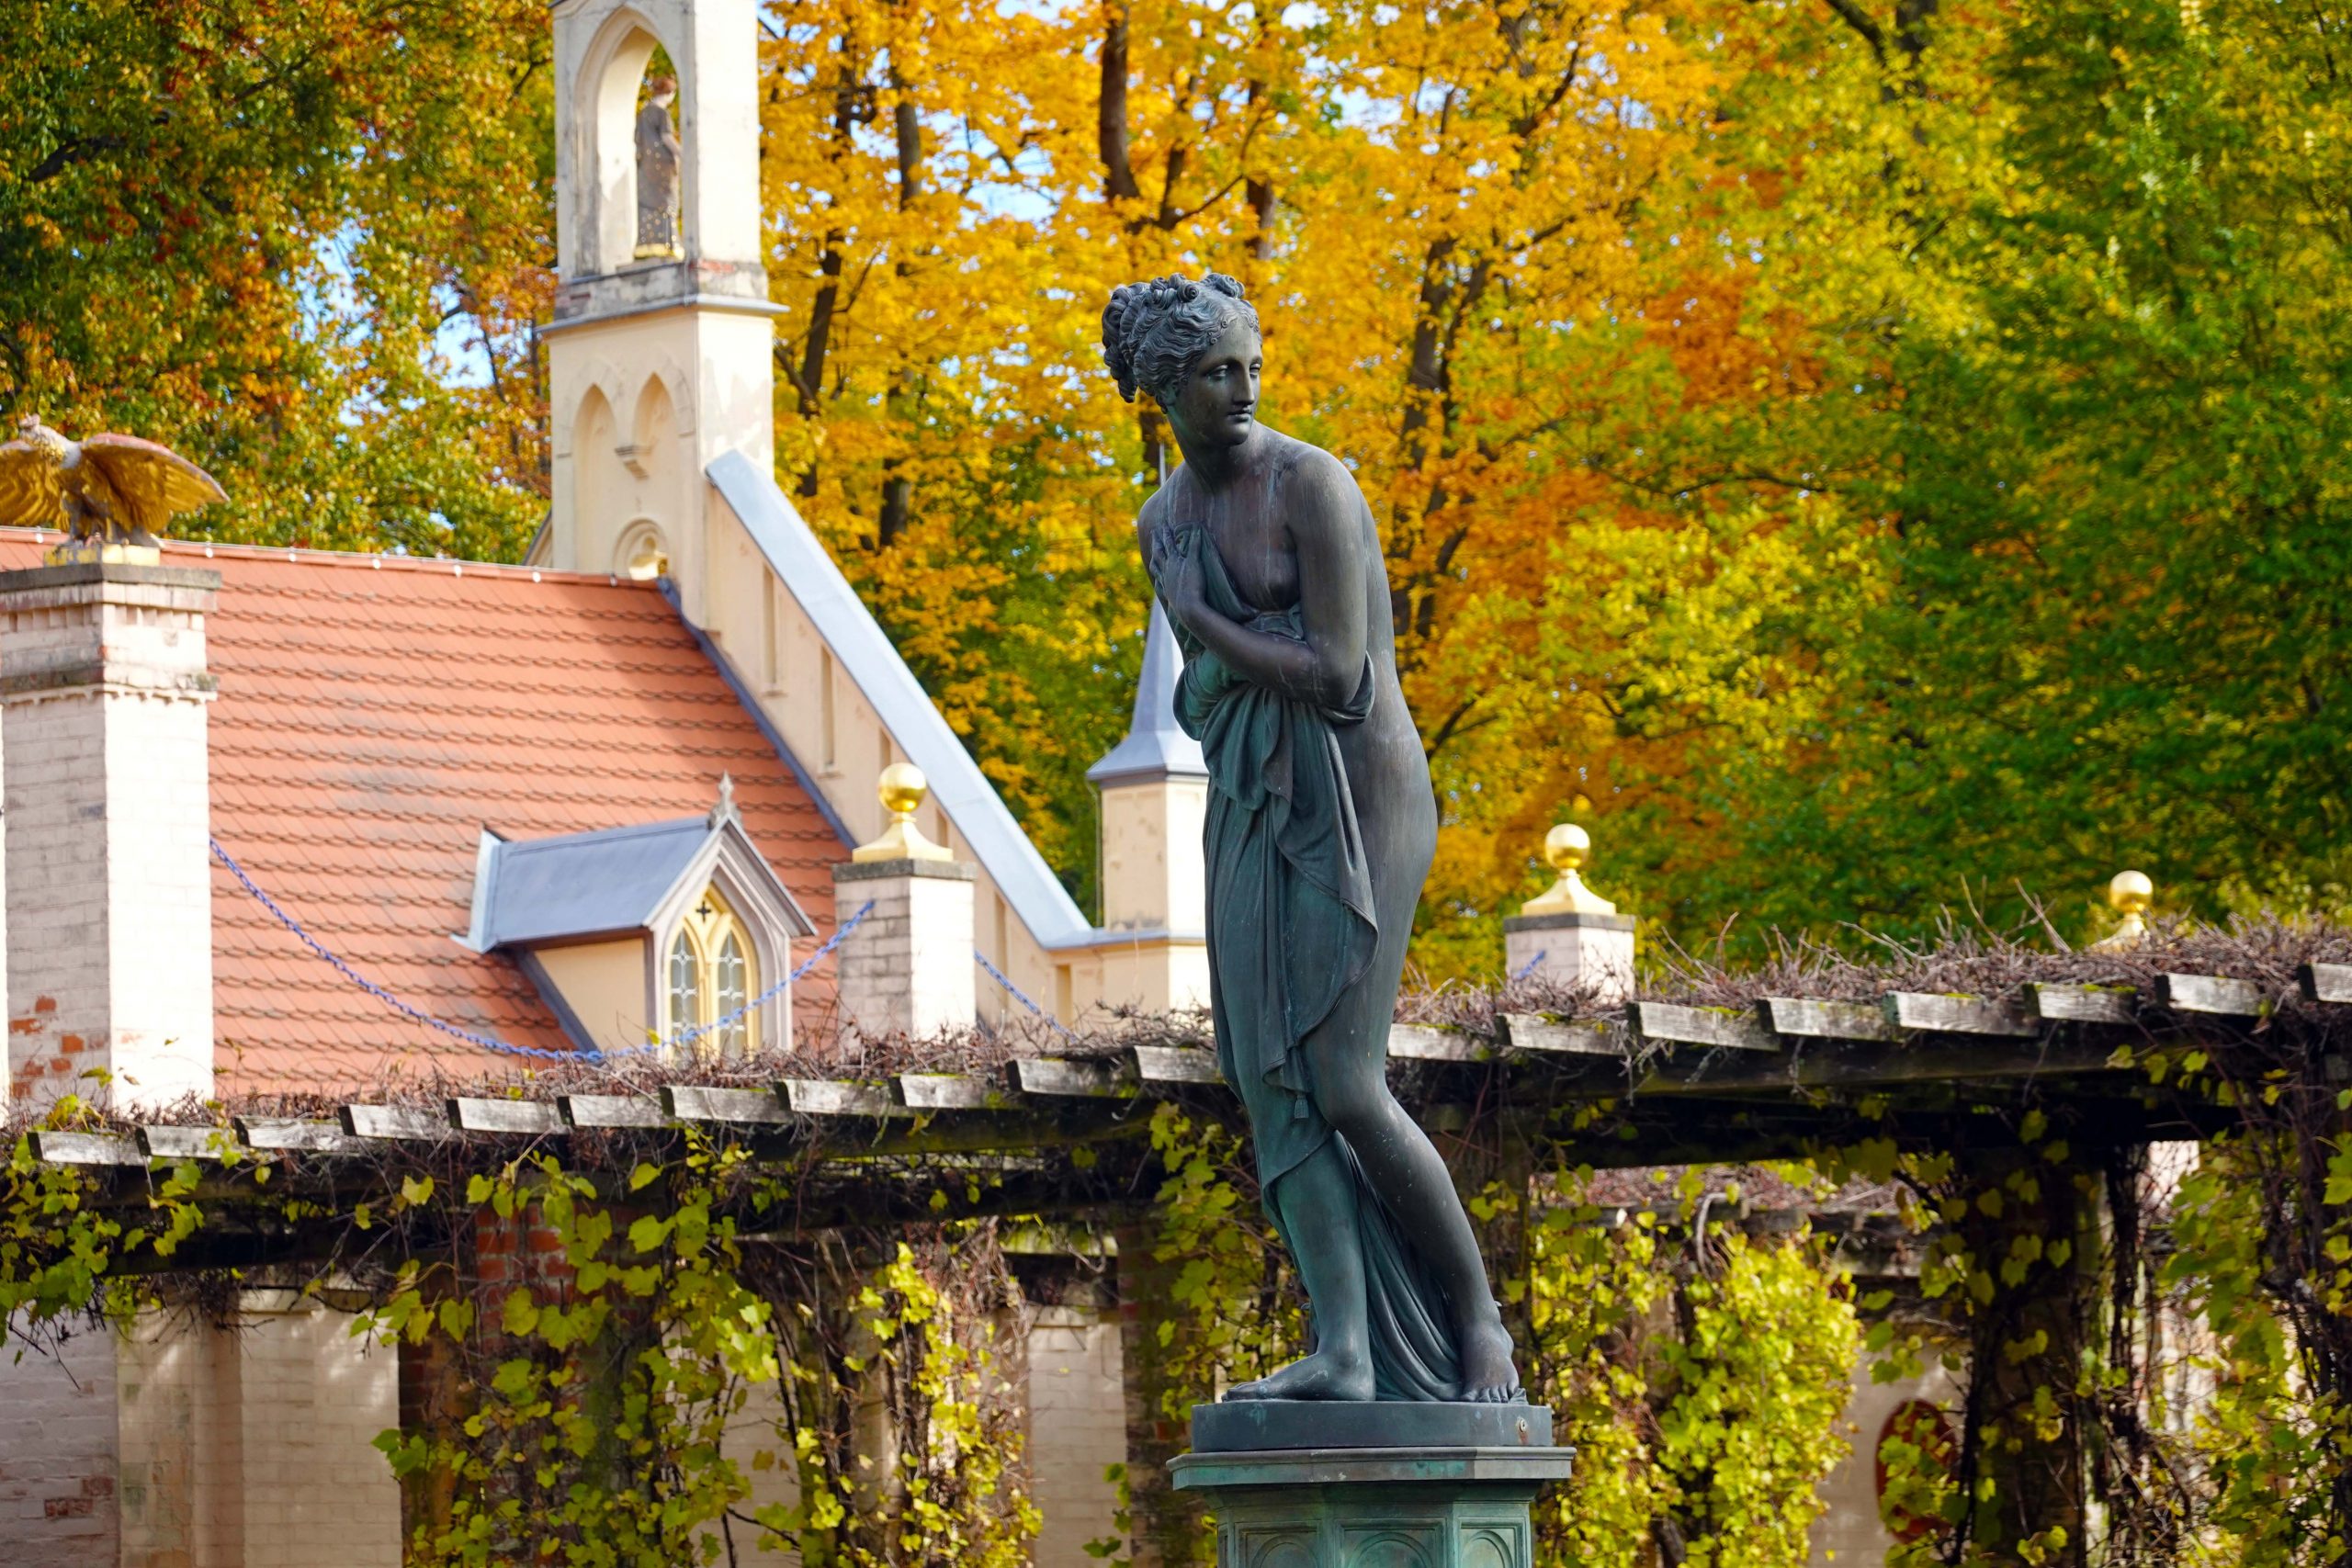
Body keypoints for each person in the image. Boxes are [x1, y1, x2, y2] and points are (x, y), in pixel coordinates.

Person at [1101, 274, 1522, 1404]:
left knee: (1341, 1078)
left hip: (1363, 789)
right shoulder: (1161, 523)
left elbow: (1338, 675)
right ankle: (1345, 1352)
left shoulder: (1313, 484)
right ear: (1162, 390)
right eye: (1214, 373)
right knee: (1263, 1077)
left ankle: (1478, 1320)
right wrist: (1218, 656)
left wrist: (1204, 619)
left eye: (1250, 366)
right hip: (1254, 791)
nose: (1242, 390)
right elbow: (1210, 693)